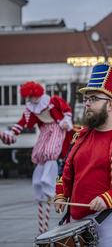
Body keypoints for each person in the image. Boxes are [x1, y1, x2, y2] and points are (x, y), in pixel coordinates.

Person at [54, 63, 112, 246]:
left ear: (110, 105)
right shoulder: (79, 137)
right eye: (86, 99)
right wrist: (61, 194)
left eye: (93, 99)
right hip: (77, 214)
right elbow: (65, 167)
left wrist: (108, 198)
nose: (87, 103)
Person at [1, 81, 73, 233]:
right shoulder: (30, 108)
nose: (29, 100)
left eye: (30, 97)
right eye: (27, 98)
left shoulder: (52, 101)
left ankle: (49, 182)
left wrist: (67, 121)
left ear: (36, 94)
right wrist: (12, 133)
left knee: (51, 151)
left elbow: (66, 110)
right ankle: (40, 179)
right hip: (45, 128)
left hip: (57, 126)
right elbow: (22, 122)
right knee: (39, 153)